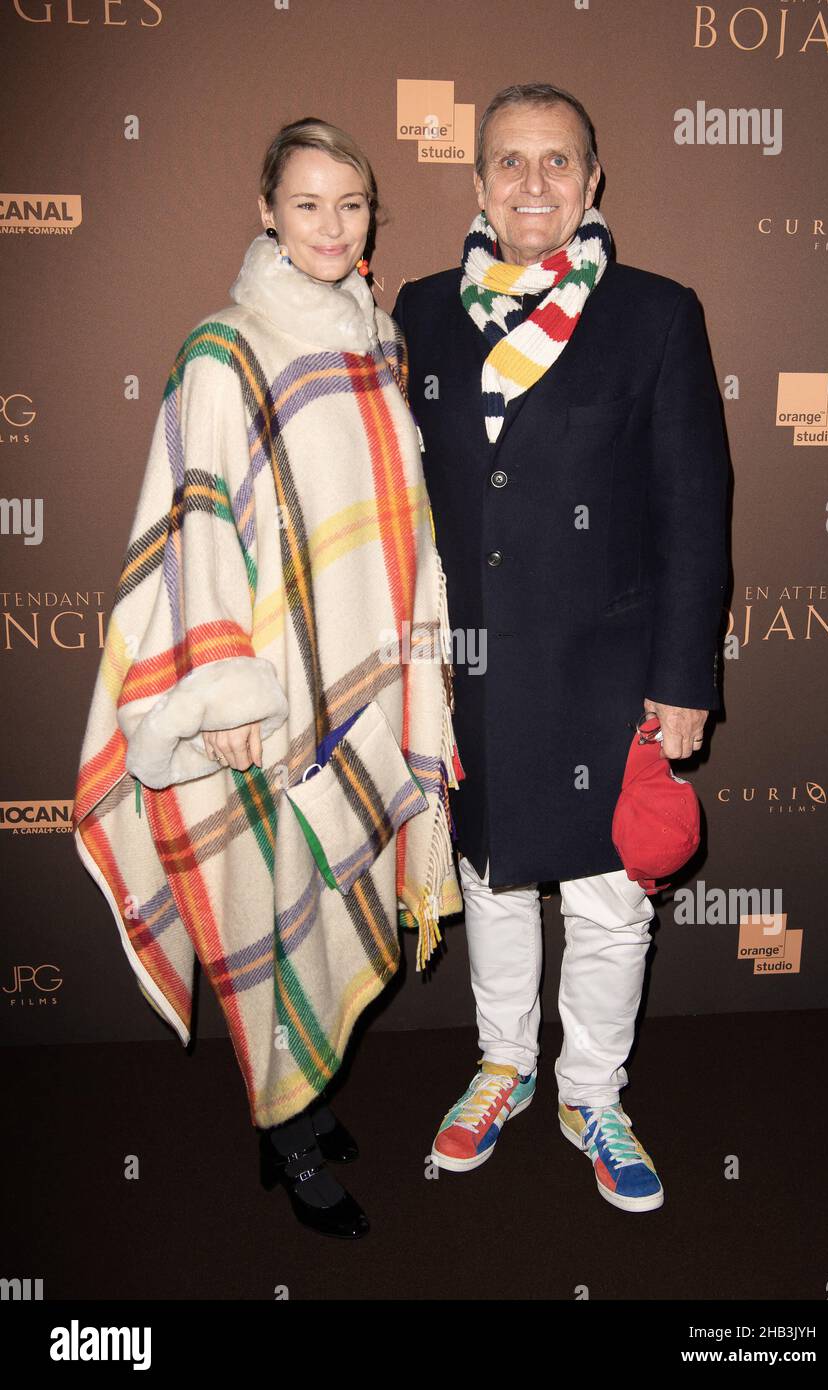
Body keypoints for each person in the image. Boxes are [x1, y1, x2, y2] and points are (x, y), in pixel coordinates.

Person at [73, 117, 462, 1240]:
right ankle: (287, 1132)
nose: (331, 226)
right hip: (269, 695)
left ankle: (293, 1106)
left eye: (351, 205)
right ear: (265, 212)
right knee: (278, 902)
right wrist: (228, 692)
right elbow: (201, 524)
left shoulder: (377, 340)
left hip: (367, 679)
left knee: (335, 894)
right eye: (306, 203)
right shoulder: (224, 350)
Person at [391, 84, 729, 1212]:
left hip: (605, 672)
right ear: (477, 181)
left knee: (601, 899)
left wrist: (683, 679)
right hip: (469, 670)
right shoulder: (421, 309)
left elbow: (693, 506)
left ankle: (591, 1091)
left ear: (590, 181)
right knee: (488, 881)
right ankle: (503, 1066)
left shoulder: (655, 313)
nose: (532, 183)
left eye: (556, 162)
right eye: (508, 161)